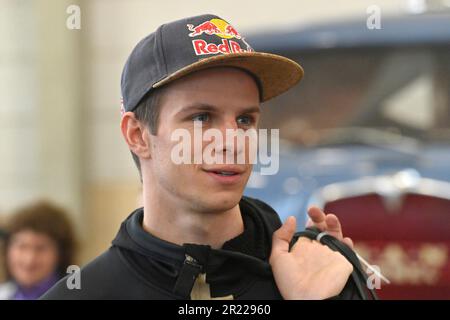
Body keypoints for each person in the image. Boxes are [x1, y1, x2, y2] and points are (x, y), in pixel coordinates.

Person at [42, 14, 357, 300]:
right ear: (137, 135)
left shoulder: (316, 277)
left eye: (245, 120)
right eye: (201, 118)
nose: (232, 141)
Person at [0, 201, 77, 300]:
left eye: (41, 248)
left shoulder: (80, 295)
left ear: (61, 254)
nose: (29, 259)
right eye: (22, 246)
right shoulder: (3, 294)